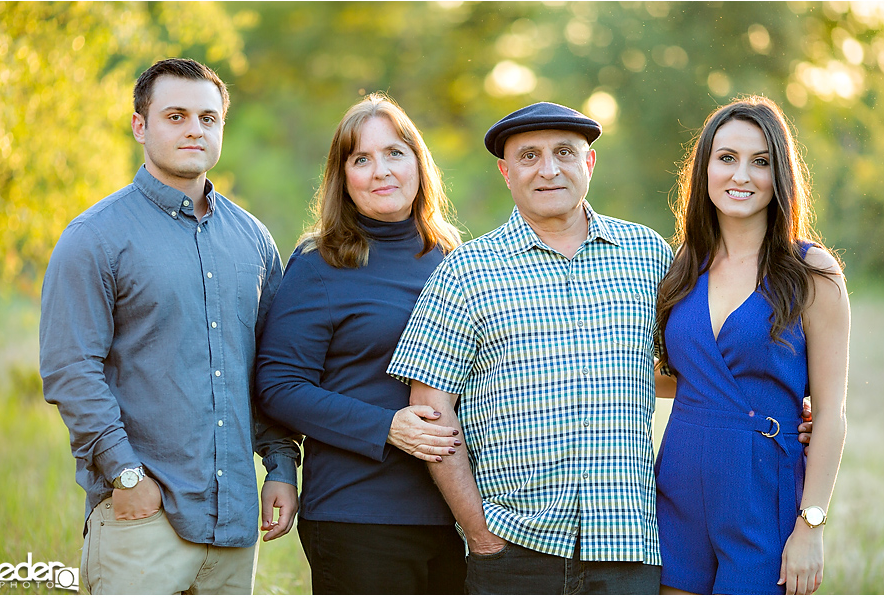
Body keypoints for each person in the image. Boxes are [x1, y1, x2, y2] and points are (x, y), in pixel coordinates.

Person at [386, 102, 673, 594]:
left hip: (630, 545)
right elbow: (430, 410)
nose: (548, 169)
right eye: (529, 156)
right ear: (505, 171)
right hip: (516, 548)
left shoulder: (649, 255)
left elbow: (683, 373)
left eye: (565, 152)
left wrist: (781, 400)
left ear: (590, 163)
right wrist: (478, 530)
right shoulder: (466, 272)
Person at [39, 58, 301, 594]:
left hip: (234, 528)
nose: (193, 130)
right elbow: (70, 370)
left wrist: (279, 464)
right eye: (175, 116)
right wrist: (126, 477)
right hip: (141, 521)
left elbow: (268, 367)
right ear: (141, 126)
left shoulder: (252, 240)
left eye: (207, 118)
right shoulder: (95, 238)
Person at [254, 93, 466, 594]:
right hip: (358, 514)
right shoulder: (320, 264)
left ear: (419, 162)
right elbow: (277, 385)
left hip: (456, 515)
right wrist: (387, 427)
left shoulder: (456, 260)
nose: (381, 171)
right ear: (342, 176)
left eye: (395, 153)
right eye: (361, 159)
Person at [653, 96, 849, 595]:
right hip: (677, 489)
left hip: (763, 491)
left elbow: (830, 412)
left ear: (779, 173)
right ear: (705, 169)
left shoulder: (812, 272)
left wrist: (811, 525)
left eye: (760, 161)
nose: (742, 175)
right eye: (727, 158)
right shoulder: (680, 268)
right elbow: (685, 377)